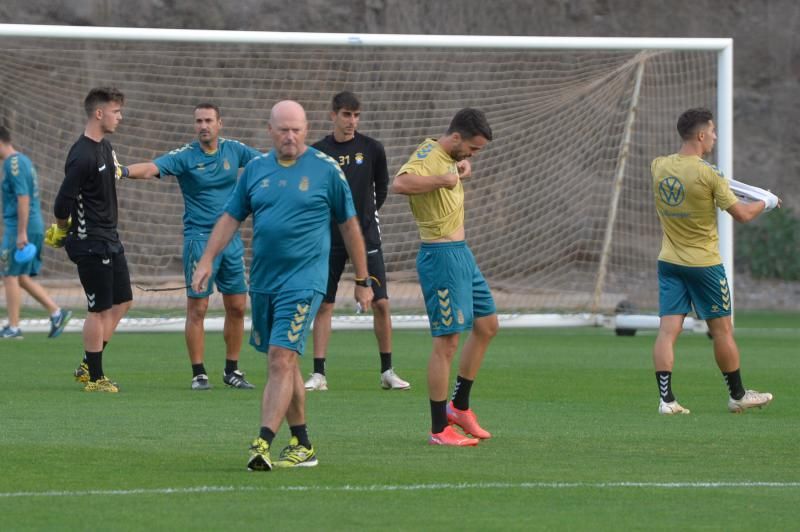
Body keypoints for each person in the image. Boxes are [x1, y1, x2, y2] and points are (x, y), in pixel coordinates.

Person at [192, 100, 372, 470]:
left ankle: (262, 441)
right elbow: (230, 217)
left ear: (306, 129)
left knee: (281, 358)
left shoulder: (326, 171)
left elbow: (350, 225)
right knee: (284, 363)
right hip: (264, 283)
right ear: (270, 130)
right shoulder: (255, 169)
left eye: (296, 129)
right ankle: (303, 444)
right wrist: (207, 259)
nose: (290, 136)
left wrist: (362, 278)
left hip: (305, 282)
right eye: (283, 129)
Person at [123, 103, 262, 390]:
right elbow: (151, 168)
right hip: (199, 241)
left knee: (237, 306)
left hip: (231, 240)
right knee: (198, 308)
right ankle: (199, 373)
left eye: (208, 120)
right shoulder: (185, 156)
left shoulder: (233, 150)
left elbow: (263, 163)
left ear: (219, 123)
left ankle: (232, 370)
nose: (203, 126)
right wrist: (121, 170)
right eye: (198, 121)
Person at [651, 107, 778, 415]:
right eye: (713, 131)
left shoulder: (659, 166)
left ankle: (666, 401)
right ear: (701, 135)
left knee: (668, 331)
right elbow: (744, 215)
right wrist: (767, 201)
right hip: (704, 266)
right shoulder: (710, 174)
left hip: (669, 261)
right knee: (722, 331)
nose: (715, 137)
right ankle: (737, 395)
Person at [392, 108, 498, 447]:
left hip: (462, 255)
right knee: (447, 342)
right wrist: (445, 177)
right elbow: (401, 182)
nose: (473, 155)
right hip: (440, 258)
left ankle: (460, 407)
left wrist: (458, 169)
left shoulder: (448, 156)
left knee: (487, 325)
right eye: (473, 149)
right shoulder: (427, 155)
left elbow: (449, 169)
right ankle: (439, 429)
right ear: (456, 138)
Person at [305, 91, 410, 392]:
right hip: (329, 238)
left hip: (366, 236)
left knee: (381, 303)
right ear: (332, 115)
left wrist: (362, 217)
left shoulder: (372, 148)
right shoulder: (317, 152)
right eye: (346, 114)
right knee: (324, 304)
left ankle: (388, 371)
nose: (352, 121)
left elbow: (382, 189)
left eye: (356, 115)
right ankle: (319, 374)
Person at [46, 87, 132, 393]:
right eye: (115, 111)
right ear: (99, 113)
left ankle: (88, 361)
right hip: (89, 242)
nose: (120, 117)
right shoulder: (81, 154)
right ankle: (95, 378)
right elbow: (62, 202)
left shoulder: (105, 147)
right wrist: (60, 228)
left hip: (110, 239)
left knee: (123, 300)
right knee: (98, 309)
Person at [0, 126, 72, 339]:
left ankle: (13, 328)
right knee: (20, 276)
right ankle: (57, 313)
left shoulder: (14, 163)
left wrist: (21, 233)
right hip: (28, 226)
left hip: (21, 228)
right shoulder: (19, 162)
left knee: (9, 275)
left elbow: (24, 198)